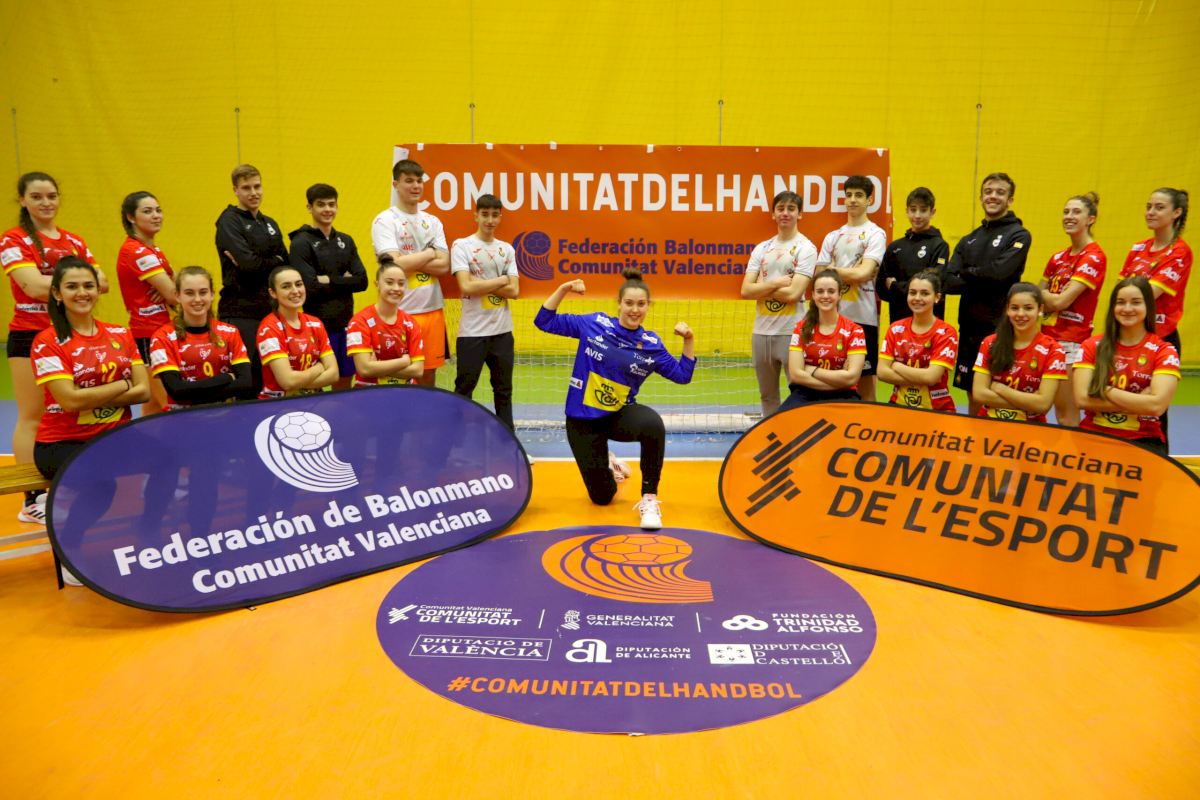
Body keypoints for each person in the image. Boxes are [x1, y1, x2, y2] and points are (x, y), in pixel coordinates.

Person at [535, 269, 696, 530]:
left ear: (648, 306)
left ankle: (649, 499)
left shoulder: (651, 344)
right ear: (619, 303)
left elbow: (683, 375)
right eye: (629, 303)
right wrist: (564, 288)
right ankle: (610, 464)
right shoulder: (594, 324)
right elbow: (544, 321)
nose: (635, 310)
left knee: (653, 425)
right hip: (582, 420)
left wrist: (688, 339)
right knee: (602, 497)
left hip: (617, 417)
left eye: (641, 304)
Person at [31, 257, 149, 582]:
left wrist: (95, 394)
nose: (82, 293)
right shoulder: (47, 341)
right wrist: (122, 385)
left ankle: (150, 531)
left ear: (98, 290)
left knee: (171, 461)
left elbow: (144, 391)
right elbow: (69, 401)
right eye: (72, 286)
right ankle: (68, 549)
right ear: (57, 293)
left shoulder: (119, 333)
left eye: (88, 286)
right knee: (101, 484)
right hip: (61, 443)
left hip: (114, 437)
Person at [1, 172, 107, 523]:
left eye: (51, 195)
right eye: (36, 196)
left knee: (67, 412)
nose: (45, 202)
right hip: (30, 335)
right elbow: (31, 286)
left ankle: (63, 485)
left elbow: (103, 282)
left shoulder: (74, 240)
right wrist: (79, 281)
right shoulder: (13, 239)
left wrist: (68, 283)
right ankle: (31, 499)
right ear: (23, 200)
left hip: (70, 336)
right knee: (33, 416)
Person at [945, 172, 1031, 415]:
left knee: (998, 388)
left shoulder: (1018, 235)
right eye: (988, 192)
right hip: (970, 326)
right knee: (972, 389)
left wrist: (967, 273)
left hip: (1000, 328)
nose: (993, 196)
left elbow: (1000, 273)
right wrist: (983, 275)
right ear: (981, 197)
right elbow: (948, 282)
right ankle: (974, 433)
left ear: (1010, 200)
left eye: (1000, 192)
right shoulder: (969, 239)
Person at [1073, 276, 1180, 457]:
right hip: (1093, 435)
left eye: (1136, 302)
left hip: (1143, 439)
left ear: (1148, 306)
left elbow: (1156, 407)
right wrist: (1139, 401)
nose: (1127, 309)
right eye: (1121, 302)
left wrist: (1104, 390)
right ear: (1113, 307)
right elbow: (1082, 400)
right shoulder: (1091, 346)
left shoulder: (1164, 351)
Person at [371, 159, 449, 388]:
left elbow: (444, 266)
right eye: (408, 181)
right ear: (396, 184)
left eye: (419, 181)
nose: (415, 186)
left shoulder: (432, 221)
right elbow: (394, 265)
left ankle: (425, 412)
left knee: (428, 373)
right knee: (397, 371)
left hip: (432, 310)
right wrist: (429, 253)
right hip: (399, 311)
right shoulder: (385, 220)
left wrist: (408, 259)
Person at [215, 164, 288, 399]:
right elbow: (248, 265)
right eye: (246, 188)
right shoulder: (229, 221)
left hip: (269, 310)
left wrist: (259, 261)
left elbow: (285, 264)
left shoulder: (270, 223)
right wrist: (271, 261)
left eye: (257, 186)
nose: (253, 193)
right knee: (246, 380)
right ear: (235, 190)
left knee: (270, 378)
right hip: (240, 311)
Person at [740, 191, 816, 417]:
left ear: (800, 214)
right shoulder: (762, 248)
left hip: (791, 332)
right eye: (780, 208)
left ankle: (798, 433)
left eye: (791, 209)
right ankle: (771, 434)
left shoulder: (806, 248)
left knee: (799, 392)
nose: (785, 213)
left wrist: (762, 287)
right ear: (773, 214)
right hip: (761, 332)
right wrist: (777, 283)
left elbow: (794, 293)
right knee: (767, 395)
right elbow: (746, 291)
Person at [288, 183, 367, 391]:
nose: (327, 209)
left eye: (331, 204)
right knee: (317, 382)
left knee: (344, 380)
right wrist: (344, 280)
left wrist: (328, 280)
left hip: (345, 324)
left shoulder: (345, 241)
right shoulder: (301, 242)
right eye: (321, 204)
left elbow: (362, 281)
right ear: (310, 207)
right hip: (316, 328)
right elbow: (310, 287)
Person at [450, 194, 520, 430]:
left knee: (503, 390)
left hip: (502, 333)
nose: (490, 220)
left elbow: (514, 291)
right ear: (476, 216)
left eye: (495, 215)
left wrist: (481, 283)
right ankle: (454, 439)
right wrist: (501, 280)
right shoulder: (462, 246)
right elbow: (466, 287)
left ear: (500, 217)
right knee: (464, 388)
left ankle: (508, 440)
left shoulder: (506, 249)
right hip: (472, 333)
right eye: (485, 214)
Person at [816, 176, 888, 401]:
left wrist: (832, 270)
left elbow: (863, 273)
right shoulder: (833, 236)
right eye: (849, 195)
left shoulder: (876, 233)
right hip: (832, 320)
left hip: (863, 319)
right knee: (830, 381)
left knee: (866, 384)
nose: (853, 200)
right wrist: (849, 273)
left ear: (869, 200)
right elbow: (819, 276)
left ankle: (867, 421)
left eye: (858, 195)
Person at [1039, 193, 1106, 426]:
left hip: (1070, 341)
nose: (1069, 216)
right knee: (1038, 406)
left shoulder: (1094, 257)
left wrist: (1050, 298)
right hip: (1046, 338)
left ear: (1090, 219)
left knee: (1066, 413)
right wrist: (1049, 297)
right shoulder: (1057, 257)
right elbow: (1037, 295)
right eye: (1066, 211)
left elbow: (1060, 302)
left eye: (1076, 212)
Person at [148, 266, 252, 409]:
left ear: (212, 294)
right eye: (189, 293)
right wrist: (226, 378)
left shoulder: (230, 332)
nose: (197, 299)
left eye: (203, 292)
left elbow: (245, 383)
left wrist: (194, 394)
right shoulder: (161, 338)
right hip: (184, 417)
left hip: (226, 414)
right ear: (177, 296)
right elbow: (177, 391)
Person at [116, 191, 177, 416]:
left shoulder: (154, 251)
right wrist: (170, 291)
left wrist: (170, 289)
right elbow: (175, 295)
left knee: (153, 407)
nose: (156, 215)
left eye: (158, 210)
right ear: (131, 217)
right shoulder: (135, 251)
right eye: (148, 211)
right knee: (169, 405)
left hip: (161, 329)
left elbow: (175, 288)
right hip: (148, 334)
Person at [971, 283, 1067, 424]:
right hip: (988, 425)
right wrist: (1029, 402)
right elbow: (979, 394)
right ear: (1007, 310)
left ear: (1040, 309)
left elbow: (1043, 404)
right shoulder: (990, 343)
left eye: (1028, 308)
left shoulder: (1054, 350)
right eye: (1015, 308)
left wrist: (1000, 389)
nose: (1021, 314)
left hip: (1031, 430)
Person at [778, 269, 867, 412]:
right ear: (813, 295)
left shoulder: (855, 330)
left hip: (844, 395)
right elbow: (795, 375)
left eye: (831, 291)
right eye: (820, 291)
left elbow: (852, 378)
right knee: (783, 419)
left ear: (840, 295)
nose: (825, 296)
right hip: (806, 393)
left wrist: (811, 369)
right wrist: (837, 382)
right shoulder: (801, 328)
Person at [877, 270, 959, 413]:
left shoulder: (947, 332)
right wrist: (921, 377)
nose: (917, 298)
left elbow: (931, 377)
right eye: (912, 293)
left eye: (925, 293)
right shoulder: (896, 328)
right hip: (898, 406)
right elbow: (882, 372)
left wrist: (897, 366)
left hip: (938, 411)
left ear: (937, 297)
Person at [255, 266, 339, 399]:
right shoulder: (269, 328)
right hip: (279, 403)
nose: (295, 291)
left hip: (313, 400)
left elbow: (334, 374)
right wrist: (318, 368)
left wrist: (298, 383)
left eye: (299, 284)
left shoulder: (315, 323)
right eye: (286, 286)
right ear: (273, 293)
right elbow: (288, 382)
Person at [346, 257, 425, 386]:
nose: (396, 288)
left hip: (405, 391)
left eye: (401, 283)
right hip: (369, 392)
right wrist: (404, 362)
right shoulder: (359, 322)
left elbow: (418, 370)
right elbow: (364, 370)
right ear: (377, 284)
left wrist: (377, 367)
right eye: (389, 282)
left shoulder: (411, 323)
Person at [878, 186, 949, 323]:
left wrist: (895, 286)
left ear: (932, 212)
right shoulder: (895, 247)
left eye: (923, 210)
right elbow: (881, 287)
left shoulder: (939, 246)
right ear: (907, 211)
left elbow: (934, 284)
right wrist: (899, 290)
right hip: (899, 321)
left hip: (930, 324)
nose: (917, 215)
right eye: (913, 209)